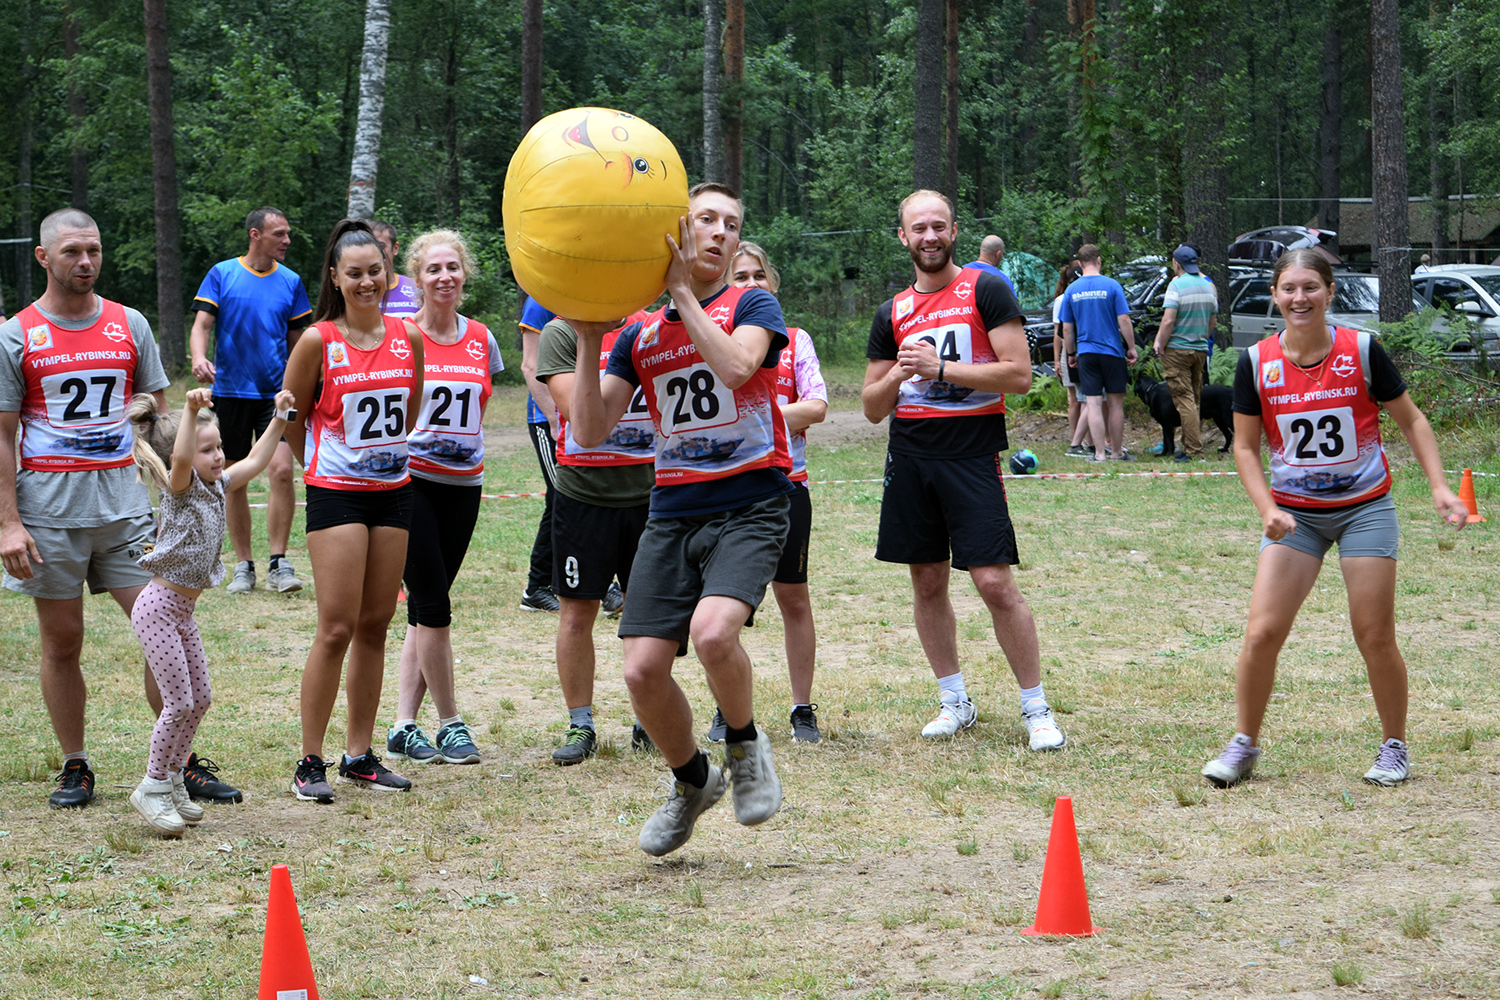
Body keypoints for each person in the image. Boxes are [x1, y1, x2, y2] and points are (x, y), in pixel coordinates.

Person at [566, 182, 790, 856]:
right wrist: (586, 340)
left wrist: (683, 296)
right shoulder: (637, 333)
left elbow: (735, 367)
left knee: (715, 634)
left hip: (750, 501)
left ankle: (747, 748)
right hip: (673, 511)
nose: (720, 232)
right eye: (707, 220)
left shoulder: (752, 302)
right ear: (677, 231)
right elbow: (590, 427)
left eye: (733, 222)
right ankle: (692, 780)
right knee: (639, 672)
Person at [0, 208, 241, 808]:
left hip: (130, 511)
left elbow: (162, 426)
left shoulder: (127, 324)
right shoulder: (16, 335)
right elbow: (3, 435)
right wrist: (7, 521)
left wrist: (175, 501)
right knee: (62, 644)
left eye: (94, 251)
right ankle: (76, 765)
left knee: (167, 628)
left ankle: (177, 764)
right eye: (72, 252)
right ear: (43, 257)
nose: (85, 263)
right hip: (49, 512)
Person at [1202, 248, 1468, 790]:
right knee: (1262, 633)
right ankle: (1244, 743)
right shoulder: (1255, 362)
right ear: (1275, 296)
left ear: (1329, 291)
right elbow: (1247, 449)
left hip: (1365, 508)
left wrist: (1439, 485)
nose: (1299, 298)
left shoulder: (1362, 350)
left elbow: (1413, 421)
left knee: (1373, 633)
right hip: (1295, 517)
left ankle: (1394, 745)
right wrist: (1267, 508)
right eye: (1288, 289)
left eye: (1310, 288)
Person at [862, 190, 1065, 752]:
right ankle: (955, 700)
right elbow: (873, 407)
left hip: (971, 455)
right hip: (910, 456)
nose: (929, 237)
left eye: (938, 227)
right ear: (902, 237)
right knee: (926, 580)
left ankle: (1036, 707)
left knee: (994, 582)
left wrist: (942, 366)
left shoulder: (986, 288)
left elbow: (1020, 375)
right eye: (917, 229)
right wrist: (901, 375)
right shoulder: (893, 311)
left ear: (953, 231)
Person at [282, 219, 423, 802]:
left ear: (387, 274)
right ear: (336, 278)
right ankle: (309, 761)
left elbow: (409, 412)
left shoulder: (407, 335)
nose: (367, 281)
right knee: (336, 627)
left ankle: (359, 755)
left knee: (375, 624)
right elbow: (291, 420)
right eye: (355, 274)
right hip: (336, 492)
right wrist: (324, 467)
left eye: (375, 271)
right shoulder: (319, 339)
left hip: (393, 489)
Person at [123, 385, 296, 834]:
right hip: (158, 609)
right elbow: (181, 460)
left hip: (182, 612)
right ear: (183, 452)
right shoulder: (179, 488)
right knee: (177, 702)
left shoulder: (219, 485)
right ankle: (152, 786)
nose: (218, 456)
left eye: (219, 446)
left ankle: (175, 779)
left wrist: (279, 417)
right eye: (208, 449)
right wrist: (193, 409)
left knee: (200, 700)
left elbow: (257, 461)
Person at [384, 230, 500, 768]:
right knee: (433, 604)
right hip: (412, 483)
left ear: (465, 273)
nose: (445, 277)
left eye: (453, 267)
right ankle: (451, 724)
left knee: (425, 613)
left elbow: (480, 405)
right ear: (417, 277)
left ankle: (404, 727)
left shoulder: (482, 338)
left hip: (465, 485)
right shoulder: (400, 337)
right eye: (433, 269)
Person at [536, 304, 654, 763]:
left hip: (651, 493)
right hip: (583, 493)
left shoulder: (653, 324)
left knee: (649, 614)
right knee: (577, 612)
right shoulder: (562, 330)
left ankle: (649, 719)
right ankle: (580, 724)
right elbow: (577, 415)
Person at [724, 241, 828, 744]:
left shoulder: (796, 339)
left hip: (788, 486)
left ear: (773, 282)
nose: (748, 284)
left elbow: (817, 407)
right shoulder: (717, 342)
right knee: (726, 607)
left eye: (757, 275)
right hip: (728, 490)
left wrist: (753, 418)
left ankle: (801, 708)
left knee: (794, 599)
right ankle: (728, 709)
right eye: (738, 276)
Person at [190, 206, 312, 595]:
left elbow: (299, 343)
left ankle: (280, 562)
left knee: (280, 471)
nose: (287, 240)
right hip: (230, 393)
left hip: (276, 395)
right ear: (256, 235)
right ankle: (244, 564)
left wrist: (302, 384)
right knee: (234, 479)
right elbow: (202, 325)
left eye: (288, 233)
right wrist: (198, 357)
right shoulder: (222, 273)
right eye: (280, 234)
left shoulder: (291, 281)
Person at [1060, 244, 1137, 462]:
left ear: (1081, 263)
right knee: (1115, 403)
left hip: (1086, 352)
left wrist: (1071, 353)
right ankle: (1116, 452)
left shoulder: (1071, 290)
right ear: (1099, 260)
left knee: (1092, 403)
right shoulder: (1112, 286)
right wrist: (1130, 347)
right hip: (1111, 351)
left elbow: (1067, 327)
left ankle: (1099, 454)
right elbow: (1124, 319)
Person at [1152, 244, 1219, 462]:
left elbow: (1169, 319)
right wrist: (1201, 338)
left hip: (1177, 350)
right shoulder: (1208, 286)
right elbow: (1213, 321)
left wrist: (1160, 343)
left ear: (1177, 264)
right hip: (1199, 350)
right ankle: (1188, 446)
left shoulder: (1176, 285)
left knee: (1184, 400)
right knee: (1195, 399)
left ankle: (1194, 451)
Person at [517, 295, 563, 613]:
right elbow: (530, 365)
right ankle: (537, 587)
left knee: (565, 499)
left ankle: (540, 586)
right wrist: (555, 418)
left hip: (587, 415)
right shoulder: (540, 298)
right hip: (549, 421)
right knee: (567, 496)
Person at [1051, 260, 1093, 458]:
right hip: (1070, 351)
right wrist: (1058, 361)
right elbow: (1058, 333)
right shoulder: (1062, 300)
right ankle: (1078, 440)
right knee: (1075, 400)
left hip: (1077, 351)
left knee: (1083, 398)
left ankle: (1086, 440)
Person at [370, 221, 421, 319]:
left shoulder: (416, 288)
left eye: (381, 246)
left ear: (395, 248)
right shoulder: (359, 292)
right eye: (370, 247)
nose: (375, 252)